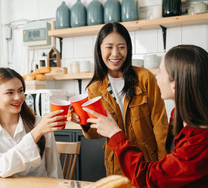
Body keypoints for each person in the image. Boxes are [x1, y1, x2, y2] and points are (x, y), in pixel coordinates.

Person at [83, 45, 208, 188]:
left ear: (175, 84)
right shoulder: (179, 116)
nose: (156, 77)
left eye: (160, 72)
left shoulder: (203, 142)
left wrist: (115, 134)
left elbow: (150, 179)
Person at [71, 22, 168, 176]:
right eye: (109, 47)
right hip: (116, 164)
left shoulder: (145, 78)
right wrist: (84, 122)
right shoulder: (95, 88)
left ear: (128, 49)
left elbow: (160, 124)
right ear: (100, 50)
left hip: (148, 161)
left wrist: (164, 165)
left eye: (121, 47)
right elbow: (96, 134)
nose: (115, 54)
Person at [0, 68, 64, 178]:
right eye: (10, 92)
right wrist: (35, 134)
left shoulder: (41, 123)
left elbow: (54, 172)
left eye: (20, 91)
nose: (18, 97)